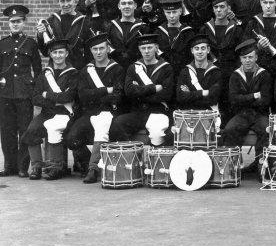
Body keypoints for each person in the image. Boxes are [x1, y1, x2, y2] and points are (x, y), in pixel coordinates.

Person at [66, 32, 125, 184]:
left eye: (101, 48)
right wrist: (106, 90)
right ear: (91, 51)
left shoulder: (117, 69)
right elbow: (82, 95)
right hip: (89, 112)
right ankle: (88, 165)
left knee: (101, 128)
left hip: (109, 112)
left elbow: (118, 96)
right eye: (95, 49)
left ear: (107, 49)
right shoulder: (86, 70)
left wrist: (94, 95)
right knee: (71, 138)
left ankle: (93, 169)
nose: (98, 52)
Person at [23, 39, 78, 180]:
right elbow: (35, 98)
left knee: (53, 129)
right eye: (55, 52)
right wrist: (56, 100)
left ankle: (54, 167)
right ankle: (36, 167)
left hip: (65, 113)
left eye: (61, 52)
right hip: (47, 113)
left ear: (66, 54)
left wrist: (47, 95)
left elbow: (69, 97)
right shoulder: (44, 74)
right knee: (31, 131)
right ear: (50, 55)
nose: (58, 55)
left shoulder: (73, 73)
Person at [0, 5, 42, 177]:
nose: (15, 24)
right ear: (8, 23)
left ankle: (22, 167)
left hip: (25, 93)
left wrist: (35, 92)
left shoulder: (31, 44)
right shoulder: (2, 44)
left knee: (24, 129)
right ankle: (9, 166)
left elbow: (38, 71)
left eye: (18, 21)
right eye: (12, 22)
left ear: (24, 22)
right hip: (5, 93)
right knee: (7, 130)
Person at [110, 34, 174, 146]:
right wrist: (154, 88)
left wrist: (139, 91)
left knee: (156, 133)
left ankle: (154, 161)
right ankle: (131, 158)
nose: (147, 51)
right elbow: (129, 92)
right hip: (138, 112)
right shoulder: (134, 67)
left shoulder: (166, 67)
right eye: (143, 48)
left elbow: (166, 94)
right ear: (139, 49)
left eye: (150, 47)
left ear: (156, 47)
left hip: (157, 111)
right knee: (118, 123)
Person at [224, 39, 273, 173]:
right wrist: (254, 96)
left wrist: (244, 99)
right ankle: (234, 166)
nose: (247, 60)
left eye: (250, 57)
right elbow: (233, 99)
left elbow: (266, 100)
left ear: (256, 57)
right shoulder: (235, 75)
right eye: (244, 57)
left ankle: (260, 165)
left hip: (260, 114)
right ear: (240, 59)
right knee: (230, 129)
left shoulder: (264, 74)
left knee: (266, 130)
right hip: (242, 114)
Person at [201, 0, 242, 117]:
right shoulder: (205, 29)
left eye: (222, 7)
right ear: (213, 9)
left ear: (228, 8)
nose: (219, 10)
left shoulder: (236, 29)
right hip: (210, 71)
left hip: (230, 71)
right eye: (216, 7)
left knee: (228, 104)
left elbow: (240, 53)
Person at [36, 0, 90, 69]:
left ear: (74, 0)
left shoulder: (84, 21)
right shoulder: (51, 21)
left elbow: (89, 51)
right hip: (56, 68)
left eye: (68, 0)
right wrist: (40, 35)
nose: (66, 4)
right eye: (62, 1)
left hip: (77, 69)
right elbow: (45, 52)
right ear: (58, 2)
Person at [175, 34, 222, 113]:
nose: (200, 51)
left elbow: (213, 99)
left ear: (208, 50)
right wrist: (204, 93)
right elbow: (180, 97)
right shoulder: (185, 71)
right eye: (196, 49)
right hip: (189, 113)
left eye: (203, 48)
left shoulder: (215, 72)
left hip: (209, 113)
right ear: (192, 51)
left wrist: (190, 94)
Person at [155, 0, 195, 80]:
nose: (171, 16)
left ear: (180, 11)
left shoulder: (188, 32)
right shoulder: (158, 32)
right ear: (164, 13)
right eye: (168, 12)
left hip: (183, 73)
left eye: (174, 12)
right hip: (163, 74)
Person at [107, 0, 144, 72]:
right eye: (123, 3)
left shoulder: (142, 27)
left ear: (135, 6)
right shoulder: (111, 26)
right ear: (119, 6)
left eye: (130, 3)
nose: (127, 6)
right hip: (115, 69)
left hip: (137, 69)